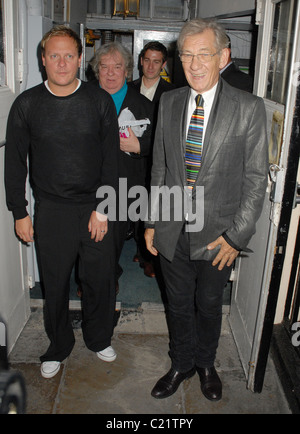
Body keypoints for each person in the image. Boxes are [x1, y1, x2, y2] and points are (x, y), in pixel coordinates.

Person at [145, 18, 268, 401]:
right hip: (171, 227)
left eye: (204, 55)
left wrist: (236, 236)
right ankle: (181, 362)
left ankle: (206, 363)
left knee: (210, 304)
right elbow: (160, 167)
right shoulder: (168, 101)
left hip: (218, 235)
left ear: (223, 57)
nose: (195, 65)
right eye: (187, 56)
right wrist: (151, 221)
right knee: (177, 302)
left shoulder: (248, 108)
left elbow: (255, 179)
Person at [4, 26, 120, 379]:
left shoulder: (98, 101)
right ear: (43, 60)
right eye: (54, 55)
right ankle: (58, 346)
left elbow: (111, 160)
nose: (62, 62)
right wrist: (20, 212)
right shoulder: (26, 104)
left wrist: (103, 208)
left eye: (69, 55)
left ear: (80, 59)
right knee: (54, 284)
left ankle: (99, 338)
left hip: (94, 207)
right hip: (51, 210)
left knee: (100, 280)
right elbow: (15, 162)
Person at [90, 42, 154, 286]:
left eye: (117, 67)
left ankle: (108, 278)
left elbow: (160, 144)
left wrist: (139, 147)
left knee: (111, 239)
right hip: (86, 184)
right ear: (97, 72)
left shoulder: (144, 105)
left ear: (127, 71)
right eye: (104, 67)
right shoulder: (83, 98)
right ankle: (92, 280)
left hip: (122, 187)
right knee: (87, 240)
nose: (110, 73)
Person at [129, 41, 176, 278]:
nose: (150, 65)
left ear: (163, 65)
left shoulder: (172, 93)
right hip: (129, 159)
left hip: (157, 161)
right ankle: (140, 248)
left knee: (153, 208)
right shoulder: (128, 88)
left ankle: (150, 258)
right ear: (140, 60)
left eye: (156, 61)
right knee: (134, 209)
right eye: (147, 60)